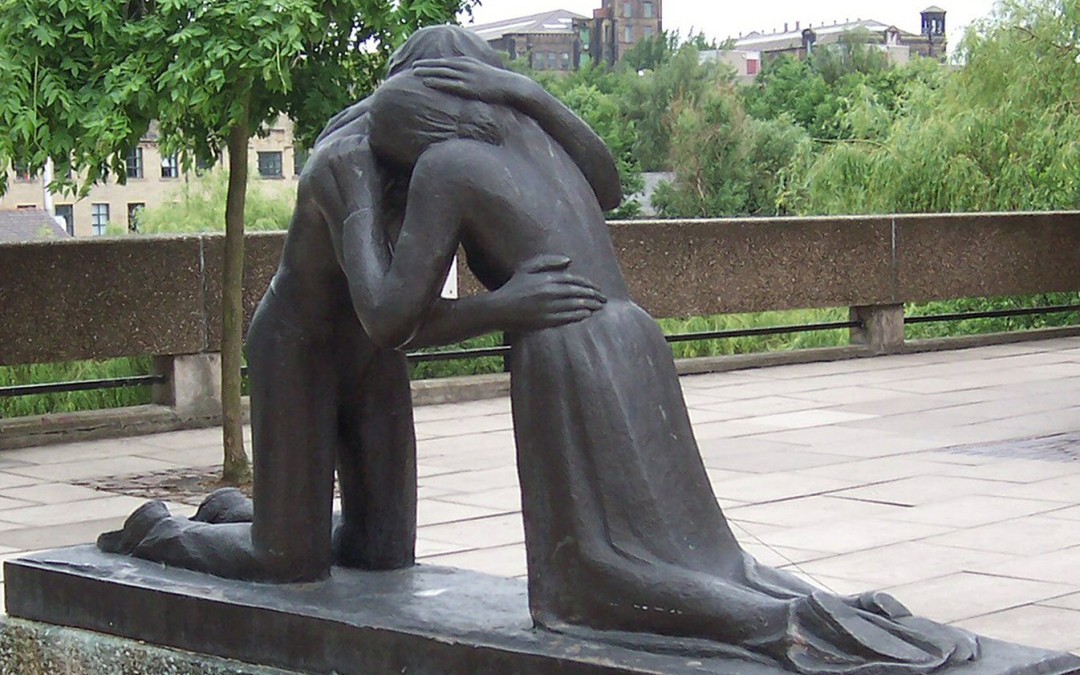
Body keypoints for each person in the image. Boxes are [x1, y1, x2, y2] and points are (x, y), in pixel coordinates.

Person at [319, 43, 981, 673]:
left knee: (588, 581)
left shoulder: (444, 166)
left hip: (565, 348)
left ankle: (794, 623)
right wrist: (527, 92)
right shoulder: (541, 143)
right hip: (631, 336)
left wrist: (359, 204)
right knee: (701, 554)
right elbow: (608, 184)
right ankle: (810, 610)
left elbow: (387, 320)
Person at [99, 26, 619, 583]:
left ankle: (257, 513)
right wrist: (506, 306)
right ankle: (156, 528)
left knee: (382, 551)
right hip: (302, 349)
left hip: (374, 355)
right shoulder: (346, 163)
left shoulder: (452, 157)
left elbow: (603, 189)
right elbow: (390, 319)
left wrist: (527, 93)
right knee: (287, 562)